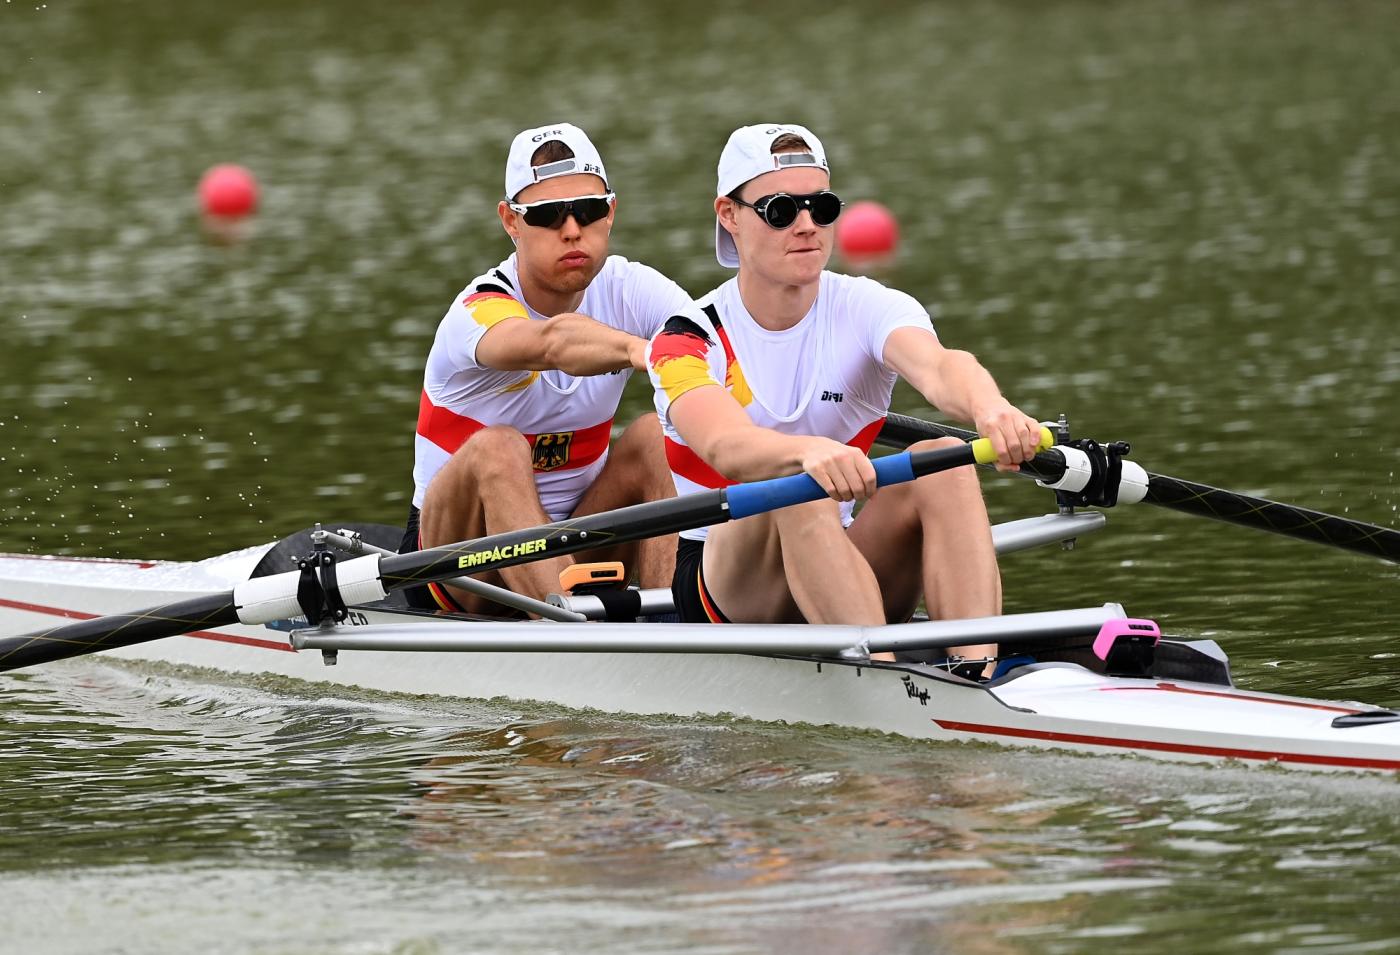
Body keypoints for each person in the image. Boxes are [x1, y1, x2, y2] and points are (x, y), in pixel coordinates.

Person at [646, 123, 1043, 669]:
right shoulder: (685, 338)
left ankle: (976, 671)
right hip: (728, 587)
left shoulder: (868, 306)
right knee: (795, 484)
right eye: (781, 210)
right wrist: (807, 451)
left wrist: (990, 408)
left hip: (838, 551)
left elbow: (940, 366)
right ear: (729, 215)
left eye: (822, 206)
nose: (807, 224)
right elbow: (724, 445)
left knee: (944, 460)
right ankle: (886, 680)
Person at [404, 122, 691, 613]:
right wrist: (646, 353)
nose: (572, 229)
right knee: (499, 447)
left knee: (652, 435)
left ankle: (680, 626)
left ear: (611, 212)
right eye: (548, 214)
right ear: (511, 222)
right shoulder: (478, 310)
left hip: (579, 539)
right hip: (457, 564)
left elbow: (723, 353)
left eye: (588, 209)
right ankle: (580, 630)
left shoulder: (635, 289)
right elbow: (554, 342)